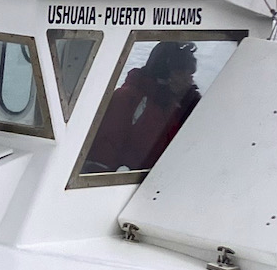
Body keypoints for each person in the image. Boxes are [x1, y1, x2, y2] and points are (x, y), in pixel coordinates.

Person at [84, 39, 200, 173]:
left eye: (190, 74)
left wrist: (191, 101)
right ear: (163, 74)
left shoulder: (180, 106)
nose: (188, 80)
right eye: (180, 73)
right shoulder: (126, 100)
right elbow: (100, 158)